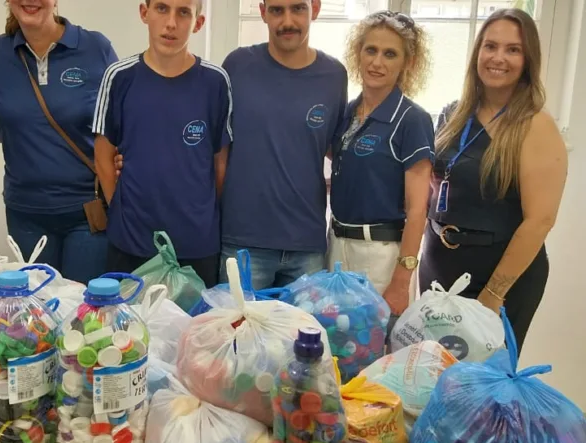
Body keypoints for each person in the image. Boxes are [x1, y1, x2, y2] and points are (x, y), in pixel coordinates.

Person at [420, 8, 567, 352]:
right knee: (430, 374)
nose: (498, 58)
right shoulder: (454, 114)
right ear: (478, 52)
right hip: (439, 268)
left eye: (513, 49)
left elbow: (540, 221)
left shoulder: (535, 125)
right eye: (490, 46)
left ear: (528, 60)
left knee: (483, 380)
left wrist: (493, 294)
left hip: (496, 279)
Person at [92, 0, 232, 287]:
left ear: (198, 23)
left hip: (196, 244)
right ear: (145, 13)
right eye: (162, 8)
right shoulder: (119, 76)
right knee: (127, 318)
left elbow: (220, 165)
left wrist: (198, 211)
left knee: (195, 319)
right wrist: (121, 210)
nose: (171, 23)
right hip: (132, 241)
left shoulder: (215, 82)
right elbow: (103, 157)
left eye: (183, 12)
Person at [0, 0, 119, 283]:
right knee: (36, 306)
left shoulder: (95, 48)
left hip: (87, 213)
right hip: (26, 214)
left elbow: (121, 121)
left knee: (83, 306)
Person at [217, 0, 348, 289]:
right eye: (277, 10)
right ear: (263, 12)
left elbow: (338, 149)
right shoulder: (237, 65)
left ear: (315, 8)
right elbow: (214, 147)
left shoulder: (334, 75)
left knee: (306, 323)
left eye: (297, 8)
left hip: (307, 245)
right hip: (243, 243)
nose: (287, 21)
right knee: (237, 321)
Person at [328, 10, 433, 318]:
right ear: (357, 53)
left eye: (390, 54)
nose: (377, 62)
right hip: (335, 245)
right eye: (370, 50)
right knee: (333, 338)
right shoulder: (346, 113)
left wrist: (401, 280)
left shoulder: (412, 120)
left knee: (374, 344)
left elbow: (418, 210)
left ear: (408, 62)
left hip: (380, 256)